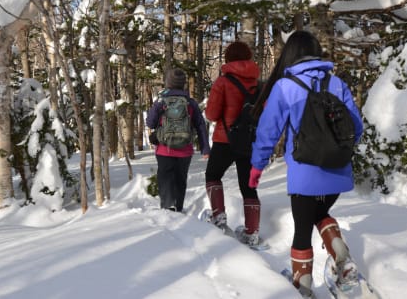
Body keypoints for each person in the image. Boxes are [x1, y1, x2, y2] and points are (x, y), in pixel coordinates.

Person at [248, 30, 364, 298]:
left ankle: (303, 284)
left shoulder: (285, 87)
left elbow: (268, 131)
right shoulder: (337, 84)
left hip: (304, 174)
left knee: (302, 230)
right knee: (319, 214)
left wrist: (257, 166)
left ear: (292, 54)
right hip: (337, 170)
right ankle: (339, 250)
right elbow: (355, 128)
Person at [204, 40, 262, 246]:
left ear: (228, 58)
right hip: (250, 141)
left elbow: (211, 114)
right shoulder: (259, 83)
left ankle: (219, 218)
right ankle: (252, 232)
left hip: (225, 139)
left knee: (212, 175)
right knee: (248, 186)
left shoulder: (223, 82)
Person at [146, 68, 210, 212]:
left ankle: (168, 207)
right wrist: (205, 148)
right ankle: (178, 208)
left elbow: (150, 123)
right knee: (180, 180)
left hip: (164, 149)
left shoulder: (161, 101)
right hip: (184, 150)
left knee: (165, 178)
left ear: (168, 83)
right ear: (183, 84)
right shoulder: (190, 103)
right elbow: (200, 125)